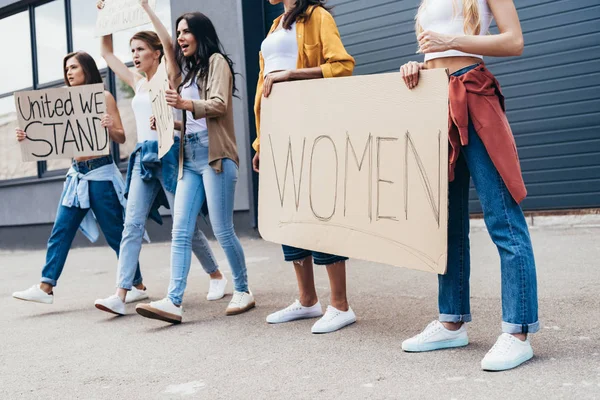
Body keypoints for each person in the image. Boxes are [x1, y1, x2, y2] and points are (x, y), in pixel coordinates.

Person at [399, 0, 539, 371]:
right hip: (434, 100)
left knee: (502, 216)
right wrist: (416, 65)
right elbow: (431, 50)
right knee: (446, 222)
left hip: (473, 93)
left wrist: (452, 42)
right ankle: (451, 321)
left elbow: (514, 41)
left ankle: (518, 331)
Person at [93, 21, 226, 316]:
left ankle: (216, 274)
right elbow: (106, 52)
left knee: (184, 223)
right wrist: (107, 18)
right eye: (133, 51)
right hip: (143, 157)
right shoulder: (137, 83)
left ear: (156, 53)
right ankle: (121, 292)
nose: (135, 55)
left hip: (169, 153)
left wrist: (145, 9)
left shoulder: (170, 76)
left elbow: (169, 43)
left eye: (141, 49)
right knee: (132, 224)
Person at [135, 6, 254, 324]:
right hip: (190, 159)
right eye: (178, 32)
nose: (180, 37)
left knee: (222, 229)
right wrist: (169, 123)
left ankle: (243, 289)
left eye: (186, 31)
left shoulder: (217, 63)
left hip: (216, 157)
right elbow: (165, 44)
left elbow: (218, 104)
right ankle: (173, 301)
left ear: (200, 34)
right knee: (180, 231)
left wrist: (183, 104)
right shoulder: (185, 71)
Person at [252, 0, 356, 334]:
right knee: (290, 210)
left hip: (310, 121)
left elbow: (342, 66)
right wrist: (260, 141)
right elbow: (262, 83)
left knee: (319, 208)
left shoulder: (317, 17)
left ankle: (340, 305)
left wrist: (293, 73)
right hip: (278, 125)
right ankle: (307, 299)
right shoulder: (275, 24)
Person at [12, 51, 144, 305]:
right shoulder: (61, 100)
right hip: (76, 175)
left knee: (115, 233)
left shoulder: (103, 97)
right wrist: (26, 136)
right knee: (60, 230)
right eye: (66, 69)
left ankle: (136, 283)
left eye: (73, 67)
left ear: (86, 69)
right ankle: (46, 286)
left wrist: (109, 125)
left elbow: (121, 137)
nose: (69, 72)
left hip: (100, 174)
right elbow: (48, 135)